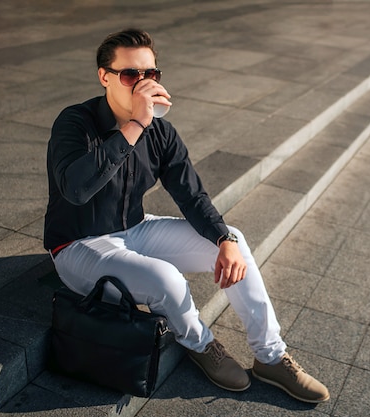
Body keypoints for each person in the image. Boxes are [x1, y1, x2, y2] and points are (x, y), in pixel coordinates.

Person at [43, 28, 329, 403]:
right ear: (105, 77)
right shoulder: (75, 122)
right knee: (166, 279)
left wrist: (223, 239)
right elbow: (76, 190)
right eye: (131, 75)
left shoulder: (160, 133)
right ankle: (202, 345)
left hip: (135, 229)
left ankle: (271, 356)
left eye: (151, 75)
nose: (142, 84)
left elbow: (192, 196)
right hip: (78, 244)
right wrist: (134, 126)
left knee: (235, 240)